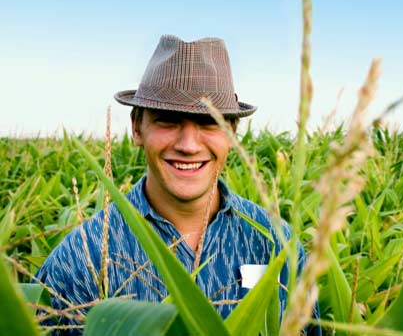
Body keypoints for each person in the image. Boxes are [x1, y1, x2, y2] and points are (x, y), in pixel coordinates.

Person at [36, 35, 320, 335]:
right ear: (137, 127)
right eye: (167, 120)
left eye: (210, 121)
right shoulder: (84, 256)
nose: (188, 145)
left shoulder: (275, 244)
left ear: (232, 132)